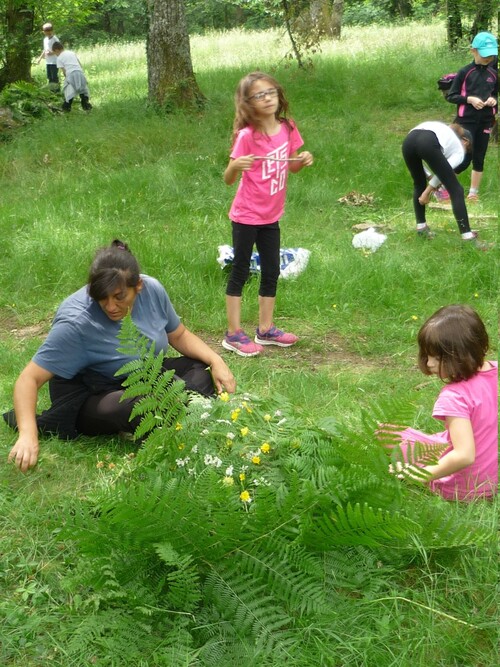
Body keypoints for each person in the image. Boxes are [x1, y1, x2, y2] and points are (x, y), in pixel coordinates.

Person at [5, 240, 236, 473]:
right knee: (138, 405)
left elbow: (179, 335)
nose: (110, 306)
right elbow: (28, 380)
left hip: (143, 374)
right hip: (93, 393)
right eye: (101, 298)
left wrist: (216, 361)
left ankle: (173, 408)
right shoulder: (76, 323)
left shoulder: (153, 290)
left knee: (202, 369)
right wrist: (27, 435)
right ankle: (177, 409)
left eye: (119, 297)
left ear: (138, 286)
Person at [222, 71, 313, 357]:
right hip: (247, 215)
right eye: (260, 95)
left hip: (272, 216)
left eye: (271, 92)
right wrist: (238, 166)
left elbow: (293, 166)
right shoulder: (247, 136)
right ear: (248, 102)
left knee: (271, 270)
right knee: (240, 271)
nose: (268, 98)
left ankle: (265, 330)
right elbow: (228, 177)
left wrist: (303, 160)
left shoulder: (287, 127)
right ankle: (234, 334)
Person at [384, 305, 497, 501]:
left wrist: (417, 474)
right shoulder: (493, 372)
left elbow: (465, 455)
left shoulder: (454, 396)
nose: (429, 364)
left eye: (438, 357)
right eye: (427, 355)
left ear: (463, 353)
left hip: (458, 488)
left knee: (385, 433)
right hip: (490, 480)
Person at [401, 121, 487, 247]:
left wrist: (426, 184)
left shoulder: (443, 132)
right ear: (465, 141)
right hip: (427, 141)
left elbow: (423, 165)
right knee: (456, 190)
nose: (465, 153)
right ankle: (468, 237)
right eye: (467, 150)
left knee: (418, 184)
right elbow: (441, 175)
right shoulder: (459, 150)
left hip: (408, 141)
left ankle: (421, 229)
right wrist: (427, 192)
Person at [446, 31, 498, 202]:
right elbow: (451, 96)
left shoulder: (493, 74)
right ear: (473, 51)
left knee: (479, 155)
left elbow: (495, 95)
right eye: (485, 55)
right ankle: (440, 183)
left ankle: (473, 193)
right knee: (463, 156)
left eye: (491, 55)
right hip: (465, 120)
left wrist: (492, 100)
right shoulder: (464, 72)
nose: (488, 58)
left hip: (485, 120)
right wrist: (469, 99)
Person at [51, 41, 92, 112]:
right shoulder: (71, 53)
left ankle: (66, 108)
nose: (56, 55)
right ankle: (86, 107)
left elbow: (64, 71)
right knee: (83, 90)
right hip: (79, 72)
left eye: (55, 53)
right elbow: (79, 64)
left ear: (56, 50)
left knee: (69, 90)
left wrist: (67, 79)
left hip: (70, 74)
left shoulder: (59, 58)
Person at [37, 22, 60, 91]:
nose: (48, 33)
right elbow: (45, 49)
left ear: (52, 31)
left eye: (50, 31)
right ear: (43, 32)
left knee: (54, 77)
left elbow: (59, 50)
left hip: (54, 61)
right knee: (49, 77)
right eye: (46, 32)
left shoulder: (55, 39)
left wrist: (52, 53)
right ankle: (51, 92)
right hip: (48, 61)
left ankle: (57, 92)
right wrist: (40, 58)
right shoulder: (45, 39)